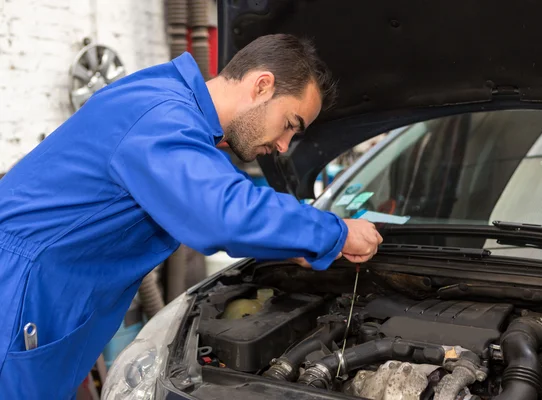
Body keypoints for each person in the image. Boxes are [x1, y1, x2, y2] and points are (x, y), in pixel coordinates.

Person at [0, 34, 382, 398]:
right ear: (262, 85)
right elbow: (224, 212)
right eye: (290, 124)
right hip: (19, 298)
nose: (283, 145)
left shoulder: (174, 109)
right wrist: (336, 232)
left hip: (45, 301)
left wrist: (290, 243)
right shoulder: (160, 115)